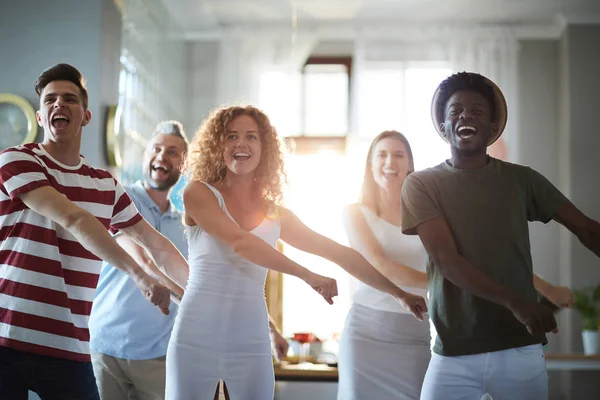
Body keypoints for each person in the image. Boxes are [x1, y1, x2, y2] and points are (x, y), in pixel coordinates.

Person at [164, 105, 428, 400]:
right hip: (195, 335)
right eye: (231, 136)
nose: (241, 143)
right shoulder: (198, 193)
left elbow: (340, 253)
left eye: (251, 137)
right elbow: (241, 243)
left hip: (251, 340)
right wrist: (306, 275)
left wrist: (399, 293)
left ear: (264, 148)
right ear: (218, 145)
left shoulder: (276, 214)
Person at [401, 72, 597, 400]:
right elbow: (447, 261)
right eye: (455, 111)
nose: (465, 116)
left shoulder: (522, 180)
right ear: (443, 127)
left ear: (493, 129)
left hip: (520, 350)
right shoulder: (421, 184)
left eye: (477, 111)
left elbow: (588, 229)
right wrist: (518, 302)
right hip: (452, 353)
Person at [337, 130, 573, 400]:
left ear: (410, 165)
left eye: (398, 154)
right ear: (370, 164)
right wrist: (453, 278)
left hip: (415, 330)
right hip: (366, 332)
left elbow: (479, 261)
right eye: (381, 154)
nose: (389, 161)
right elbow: (382, 266)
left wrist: (547, 288)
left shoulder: (427, 207)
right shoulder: (354, 212)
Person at [0, 63, 188, 400]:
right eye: (50, 100)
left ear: (86, 116)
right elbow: (73, 219)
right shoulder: (17, 160)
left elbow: (156, 245)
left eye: (70, 99)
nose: (59, 105)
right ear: (41, 117)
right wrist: (142, 278)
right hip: (7, 335)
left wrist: (198, 297)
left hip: (70, 345)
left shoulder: (105, 185)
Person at [88, 120, 189, 400]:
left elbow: (195, 277)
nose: (162, 156)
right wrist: (194, 302)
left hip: (158, 354)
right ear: (145, 156)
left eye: (172, 152)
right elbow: (142, 258)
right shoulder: (122, 197)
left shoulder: (185, 225)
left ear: (184, 164)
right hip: (106, 347)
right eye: (156, 148)